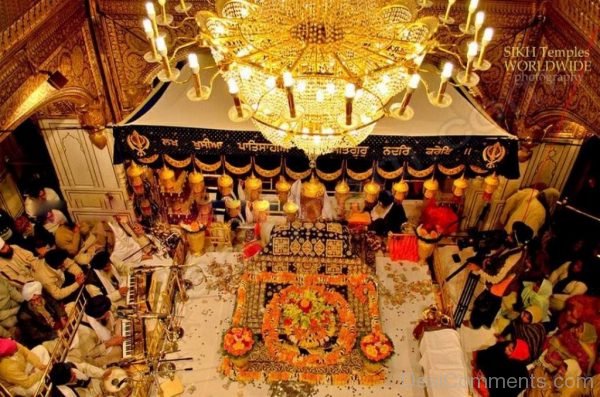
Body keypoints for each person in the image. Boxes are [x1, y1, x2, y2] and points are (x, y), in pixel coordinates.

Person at [468, 221, 534, 329]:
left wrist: (479, 270)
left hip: (498, 287)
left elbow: (496, 279)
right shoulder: (511, 247)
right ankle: (486, 324)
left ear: (518, 242)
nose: (508, 236)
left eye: (512, 236)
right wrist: (489, 260)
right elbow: (498, 256)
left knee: (482, 306)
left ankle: (474, 324)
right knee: (492, 306)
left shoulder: (514, 258)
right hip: (498, 288)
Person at [17, 281, 67, 349]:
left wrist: (61, 316)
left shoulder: (43, 294)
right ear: (29, 301)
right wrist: (56, 334)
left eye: (38, 298)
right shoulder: (24, 316)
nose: (37, 302)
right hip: (43, 337)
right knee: (61, 345)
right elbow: (36, 335)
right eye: (33, 300)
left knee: (72, 307)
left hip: (54, 322)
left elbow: (54, 304)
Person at [81, 295, 122, 367]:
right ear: (98, 316)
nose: (109, 314)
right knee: (120, 351)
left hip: (110, 338)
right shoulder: (86, 332)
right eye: (106, 314)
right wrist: (109, 343)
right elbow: (89, 354)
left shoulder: (100, 310)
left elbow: (114, 315)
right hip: (97, 357)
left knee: (122, 323)